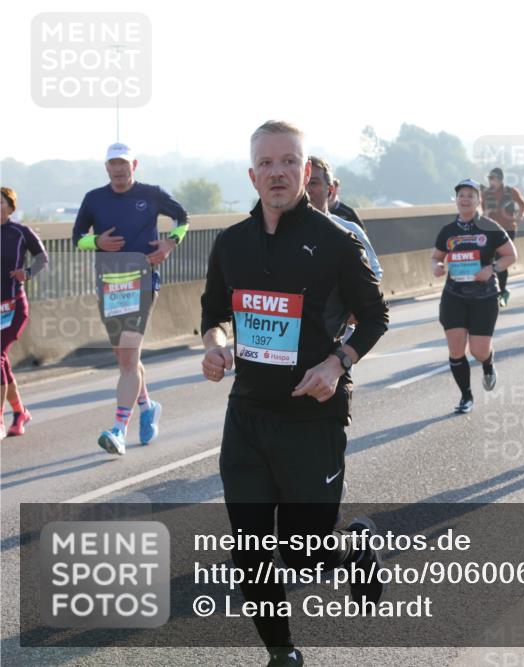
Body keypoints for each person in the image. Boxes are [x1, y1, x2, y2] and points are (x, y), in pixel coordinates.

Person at [201, 120, 390, 667]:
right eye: (267, 163)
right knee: (251, 552)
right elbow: (214, 314)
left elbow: (376, 316)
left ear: (306, 173)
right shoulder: (231, 243)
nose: (277, 171)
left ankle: (354, 547)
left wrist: (338, 361)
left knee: (304, 555)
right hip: (249, 416)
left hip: (312, 415)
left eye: (289, 161)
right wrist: (215, 346)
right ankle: (282, 654)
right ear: (253, 175)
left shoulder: (336, 240)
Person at [72, 143, 189, 455]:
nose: (119, 169)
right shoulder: (94, 199)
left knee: (127, 358)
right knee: (127, 360)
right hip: (109, 285)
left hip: (142, 283)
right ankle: (148, 406)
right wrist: (95, 241)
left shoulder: (151, 194)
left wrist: (169, 245)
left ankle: (119, 430)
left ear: (134, 164)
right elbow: (76, 239)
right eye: (113, 164)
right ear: (106, 167)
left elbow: (183, 218)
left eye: (124, 163)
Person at [431, 179, 517, 414]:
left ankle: (488, 365)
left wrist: (492, 269)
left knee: (478, 351)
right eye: (461, 195)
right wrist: (437, 266)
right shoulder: (448, 231)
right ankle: (466, 396)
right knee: (456, 349)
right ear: (456, 200)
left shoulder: (490, 227)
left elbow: (511, 255)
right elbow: (436, 256)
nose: (465, 199)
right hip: (454, 296)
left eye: (470, 195)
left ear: (479, 200)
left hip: (484, 297)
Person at [306, 156, 383, 342]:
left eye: (313, 182)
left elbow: (374, 273)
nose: (307, 188)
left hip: (337, 341)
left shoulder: (349, 230)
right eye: (303, 182)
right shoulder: (280, 233)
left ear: (330, 190)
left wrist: (356, 308)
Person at [1, 187, 48, 439]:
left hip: (13, 305)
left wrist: (27, 273)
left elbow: (42, 258)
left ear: (10, 207)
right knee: (1, 361)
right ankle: (20, 413)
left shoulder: (21, 232)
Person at [481, 167, 524, 308]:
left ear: (500, 180)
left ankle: (501, 291)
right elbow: (483, 210)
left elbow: (522, 204)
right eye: (489, 179)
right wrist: (486, 214)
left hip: (508, 230)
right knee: (492, 260)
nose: (491, 182)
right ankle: (500, 290)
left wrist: (520, 215)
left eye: (493, 179)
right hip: (492, 231)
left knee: (502, 258)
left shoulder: (510, 191)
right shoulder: (486, 193)